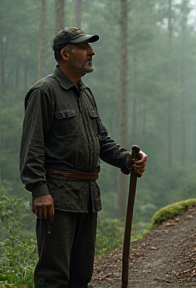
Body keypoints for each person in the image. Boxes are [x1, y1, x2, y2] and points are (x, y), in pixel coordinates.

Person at [19, 27, 147, 288]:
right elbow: (32, 146)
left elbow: (101, 140)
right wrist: (39, 190)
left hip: (88, 197)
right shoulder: (44, 91)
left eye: (90, 46)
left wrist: (127, 160)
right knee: (53, 277)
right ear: (65, 53)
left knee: (81, 276)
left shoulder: (85, 94)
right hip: (57, 199)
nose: (92, 52)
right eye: (84, 47)